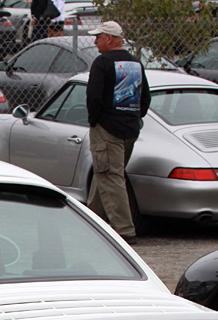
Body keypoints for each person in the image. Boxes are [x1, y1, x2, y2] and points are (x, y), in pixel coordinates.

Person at [84, 20, 150, 244]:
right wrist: (134, 117)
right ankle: (92, 221)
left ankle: (124, 230)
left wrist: (95, 121)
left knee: (111, 177)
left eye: (98, 37)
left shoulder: (102, 62)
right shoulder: (135, 63)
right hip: (129, 129)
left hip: (107, 129)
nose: (95, 41)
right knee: (104, 175)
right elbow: (145, 97)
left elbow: (93, 96)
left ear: (110, 38)